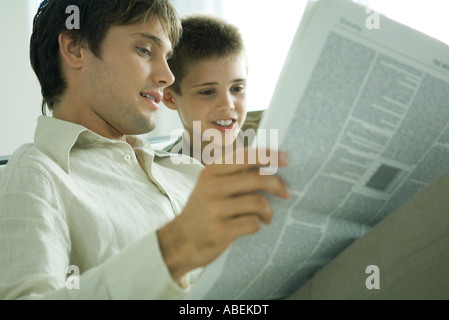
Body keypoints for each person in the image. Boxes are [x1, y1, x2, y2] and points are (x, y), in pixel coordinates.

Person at [0, 0, 291, 300]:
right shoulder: (38, 173)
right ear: (75, 48)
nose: (168, 77)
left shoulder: (185, 168)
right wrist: (173, 249)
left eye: (167, 57)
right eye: (144, 50)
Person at [162, 14, 264, 165]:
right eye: (208, 92)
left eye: (237, 88)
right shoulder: (164, 170)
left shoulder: (277, 128)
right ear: (170, 98)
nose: (227, 104)